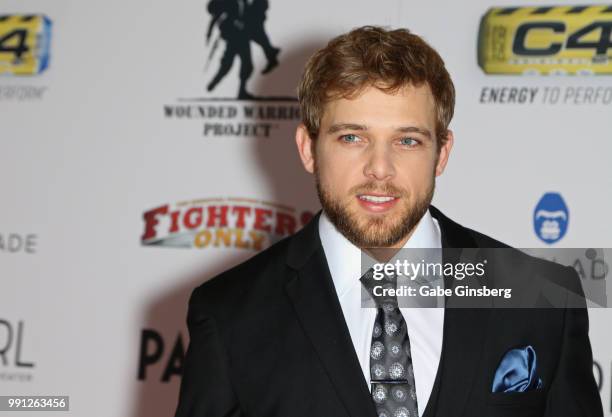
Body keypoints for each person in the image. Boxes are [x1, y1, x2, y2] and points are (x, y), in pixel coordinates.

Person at [174, 26, 602, 417]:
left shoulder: (543, 299)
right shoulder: (230, 316)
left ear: (443, 152)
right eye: (352, 137)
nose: (379, 168)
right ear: (308, 148)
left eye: (408, 140)